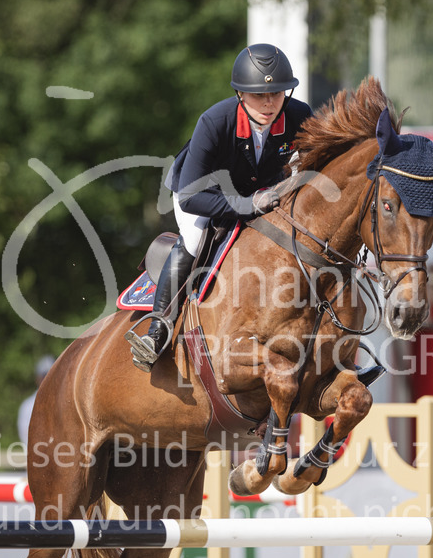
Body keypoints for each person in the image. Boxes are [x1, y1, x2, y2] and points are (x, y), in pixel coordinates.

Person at [127, 43, 313, 372]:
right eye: (259, 96)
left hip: (261, 192)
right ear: (241, 95)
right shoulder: (215, 122)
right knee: (197, 240)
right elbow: (190, 196)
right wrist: (246, 204)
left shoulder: (300, 116)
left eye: (276, 94)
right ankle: (157, 332)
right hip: (200, 193)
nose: (269, 104)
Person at [18, 355, 55, 444]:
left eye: (51, 375)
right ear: (37, 378)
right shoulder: (28, 406)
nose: (47, 379)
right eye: (44, 375)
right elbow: (26, 436)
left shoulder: (67, 403)